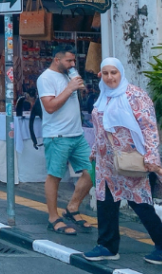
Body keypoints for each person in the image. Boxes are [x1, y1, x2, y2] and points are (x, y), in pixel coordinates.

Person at [83, 58, 162, 265]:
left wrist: (151, 156)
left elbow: (149, 128)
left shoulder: (136, 95)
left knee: (140, 203)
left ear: (121, 73)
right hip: (107, 162)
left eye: (113, 72)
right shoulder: (103, 97)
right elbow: (101, 128)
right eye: (105, 73)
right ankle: (107, 246)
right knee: (105, 202)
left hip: (131, 159)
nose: (110, 77)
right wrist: (95, 149)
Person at [37, 48, 93, 236]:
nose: (72, 65)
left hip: (76, 134)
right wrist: (69, 89)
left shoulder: (69, 76)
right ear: (57, 60)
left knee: (93, 170)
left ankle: (72, 207)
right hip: (57, 136)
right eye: (69, 61)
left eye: (74, 61)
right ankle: (53, 217)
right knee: (55, 175)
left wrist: (76, 88)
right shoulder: (46, 78)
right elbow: (50, 107)